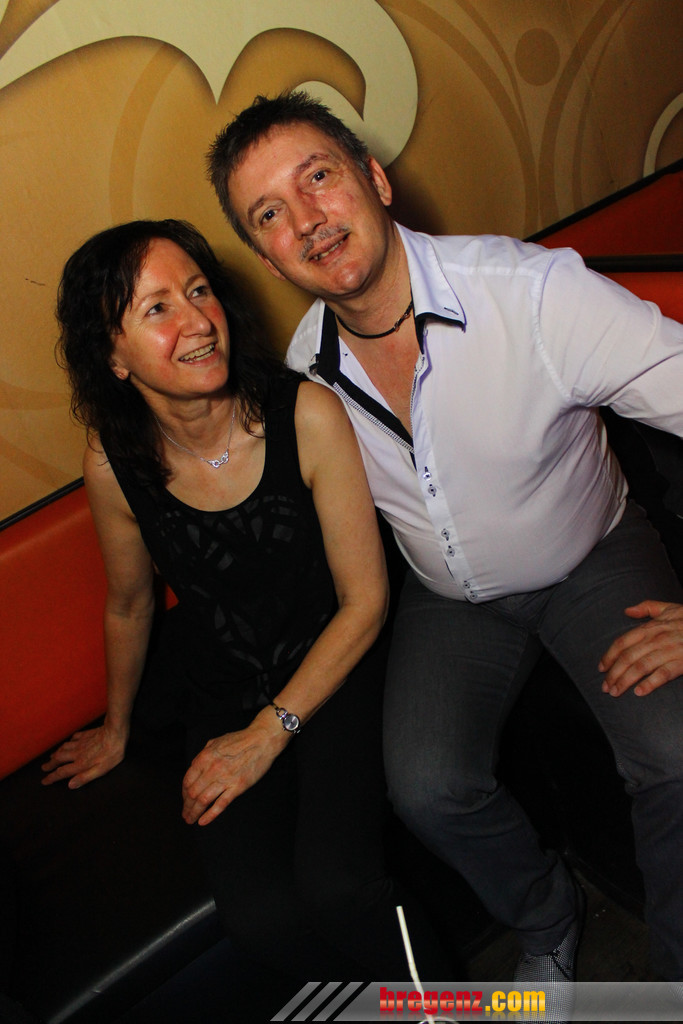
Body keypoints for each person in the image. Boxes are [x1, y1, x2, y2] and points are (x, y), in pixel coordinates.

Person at [207, 91, 683, 985]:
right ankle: (547, 917)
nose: (305, 220)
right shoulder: (304, 375)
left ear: (375, 179)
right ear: (266, 258)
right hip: (448, 596)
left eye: (319, 177)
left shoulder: (532, 296)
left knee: (676, 750)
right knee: (427, 789)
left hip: (591, 555)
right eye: (269, 214)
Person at [42, 218, 449, 984]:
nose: (198, 321)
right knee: (260, 919)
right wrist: (117, 727)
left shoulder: (305, 414)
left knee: (339, 889)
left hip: (340, 667)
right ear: (113, 357)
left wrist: (269, 732)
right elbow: (129, 603)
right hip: (223, 691)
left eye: (198, 292)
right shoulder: (114, 459)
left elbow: (364, 602)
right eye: (157, 308)